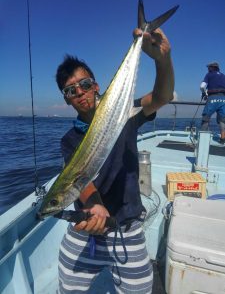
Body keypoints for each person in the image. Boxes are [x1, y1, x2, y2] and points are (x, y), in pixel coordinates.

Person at [55, 26, 174, 294]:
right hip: (86, 226)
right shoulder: (70, 140)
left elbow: (163, 97)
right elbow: (80, 180)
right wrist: (95, 205)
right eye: (71, 91)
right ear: (66, 99)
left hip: (127, 226)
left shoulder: (125, 113)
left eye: (84, 85)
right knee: (68, 287)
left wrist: (162, 58)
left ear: (96, 86)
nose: (80, 93)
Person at [200, 62, 225, 144]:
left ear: (212, 68)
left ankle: (202, 139)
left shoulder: (209, 75)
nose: (208, 69)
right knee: (222, 120)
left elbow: (202, 86)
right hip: (223, 99)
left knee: (205, 118)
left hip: (212, 98)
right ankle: (222, 139)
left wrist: (204, 93)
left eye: (208, 67)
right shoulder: (223, 75)